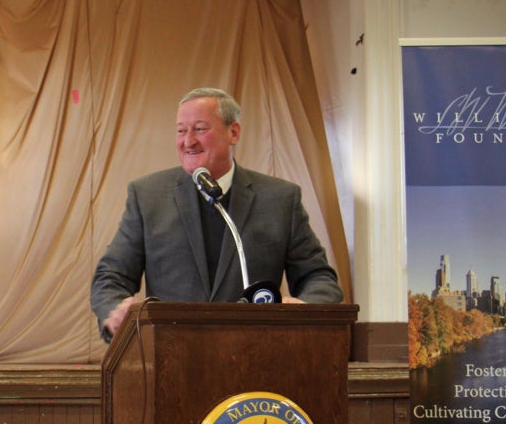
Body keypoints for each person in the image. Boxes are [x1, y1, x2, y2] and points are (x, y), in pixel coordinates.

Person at [90, 87, 343, 341]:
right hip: (170, 357)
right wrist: (116, 311)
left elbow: (318, 277)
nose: (188, 141)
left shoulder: (279, 199)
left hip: (257, 358)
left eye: (200, 129)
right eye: (181, 131)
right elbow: (110, 276)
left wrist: (304, 308)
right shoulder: (148, 196)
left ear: (233, 133)